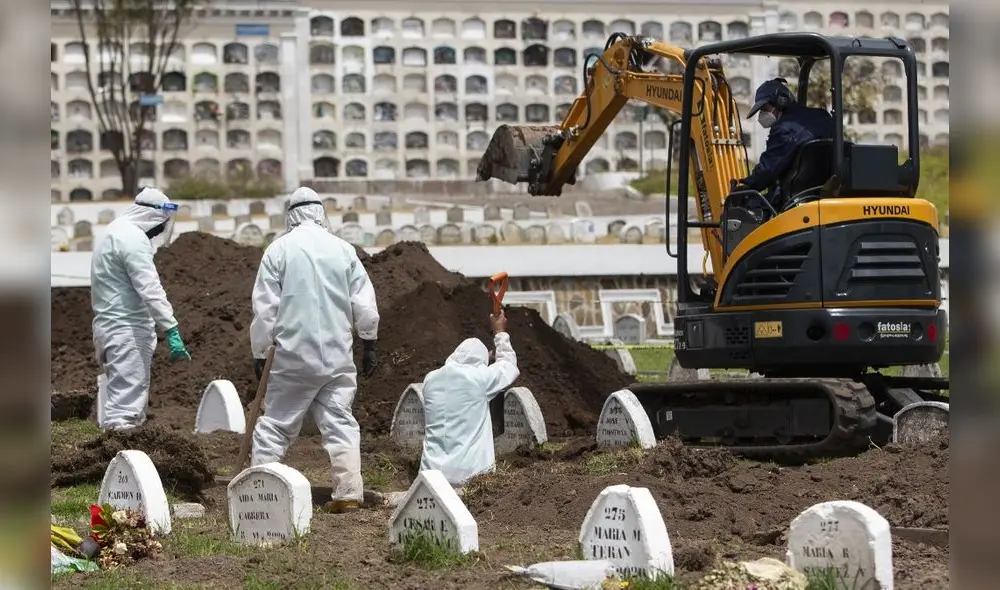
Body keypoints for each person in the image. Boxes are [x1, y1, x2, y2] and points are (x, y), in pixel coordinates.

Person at [249, 186, 380, 514]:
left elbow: (265, 309)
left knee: (276, 424)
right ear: (321, 213)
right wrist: (370, 343)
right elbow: (364, 302)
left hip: (293, 355)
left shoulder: (278, 251)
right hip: (336, 354)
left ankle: (260, 490)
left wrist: (260, 351)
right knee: (340, 421)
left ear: (290, 214)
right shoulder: (343, 250)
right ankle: (348, 493)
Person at [90, 187, 190, 431]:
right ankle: (119, 461)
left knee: (119, 401)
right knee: (125, 413)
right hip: (127, 332)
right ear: (153, 217)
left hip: (108, 328)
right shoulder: (133, 239)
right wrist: (171, 327)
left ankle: (112, 460)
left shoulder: (114, 230)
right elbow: (150, 288)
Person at [419, 310, 520, 486]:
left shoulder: (430, 380)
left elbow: (458, 367)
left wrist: (482, 361)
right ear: (480, 363)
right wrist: (500, 332)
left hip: (430, 477)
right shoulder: (479, 379)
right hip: (471, 477)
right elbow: (508, 365)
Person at [735, 77, 836, 209]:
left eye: (765, 108)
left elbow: (768, 169)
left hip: (791, 200)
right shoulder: (823, 117)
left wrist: (746, 185)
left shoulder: (784, 129)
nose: (762, 114)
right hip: (821, 194)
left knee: (739, 208)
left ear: (781, 102)